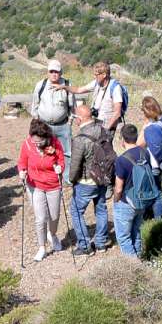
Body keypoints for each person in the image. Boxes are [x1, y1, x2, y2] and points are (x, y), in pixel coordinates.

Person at [17, 118, 66, 261]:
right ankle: (42, 247)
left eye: (39, 141)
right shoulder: (27, 144)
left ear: (46, 137)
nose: (36, 144)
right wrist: (22, 171)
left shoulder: (56, 144)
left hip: (53, 185)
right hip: (35, 185)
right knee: (40, 218)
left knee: (54, 216)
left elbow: (61, 161)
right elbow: (21, 162)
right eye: (34, 141)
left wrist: (60, 168)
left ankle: (53, 234)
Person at [68, 103, 111, 255]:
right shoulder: (104, 131)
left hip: (86, 182)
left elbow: (75, 165)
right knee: (101, 209)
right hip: (103, 178)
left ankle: (85, 246)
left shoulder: (80, 139)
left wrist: (71, 180)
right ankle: (100, 243)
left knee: (76, 211)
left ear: (79, 119)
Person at [112, 124, 158, 257]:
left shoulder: (122, 160)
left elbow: (119, 188)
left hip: (127, 202)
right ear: (136, 137)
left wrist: (116, 200)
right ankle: (141, 262)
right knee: (136, 233)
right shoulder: (145, 152)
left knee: (124, 238)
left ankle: (135, 269)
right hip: (142, 200)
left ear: (122, 139)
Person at [31, 60, 75, 181]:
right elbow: (35, 104)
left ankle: (66, 177)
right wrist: (37, 122)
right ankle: (47, 175)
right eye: (51, 71)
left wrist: (70, 122)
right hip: (45, 125)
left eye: (57, 72)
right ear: (48, 72)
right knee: (44, 149)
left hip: (63, 125)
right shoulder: (41, 85)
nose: (54, 74)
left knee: (66, 152)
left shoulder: (66, 84)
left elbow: (72, 106)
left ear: (61, 72)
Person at [62, 62, 128, 133]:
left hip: (108, 125)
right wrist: (64, 87)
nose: (94, 77)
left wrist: (106, 130)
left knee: (103, 144)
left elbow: (117, 113)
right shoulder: (96, 83)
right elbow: (79, 90)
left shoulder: (115, 88)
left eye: (96, 75)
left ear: (104, 75)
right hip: (97, 121)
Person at [138, 96, 162, 219]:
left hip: (154, 165)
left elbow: (139, 145)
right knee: (156, 191)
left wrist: (144, 126)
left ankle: (156, 218)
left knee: (155, 193)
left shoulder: (150, 128)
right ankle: (156, 217)